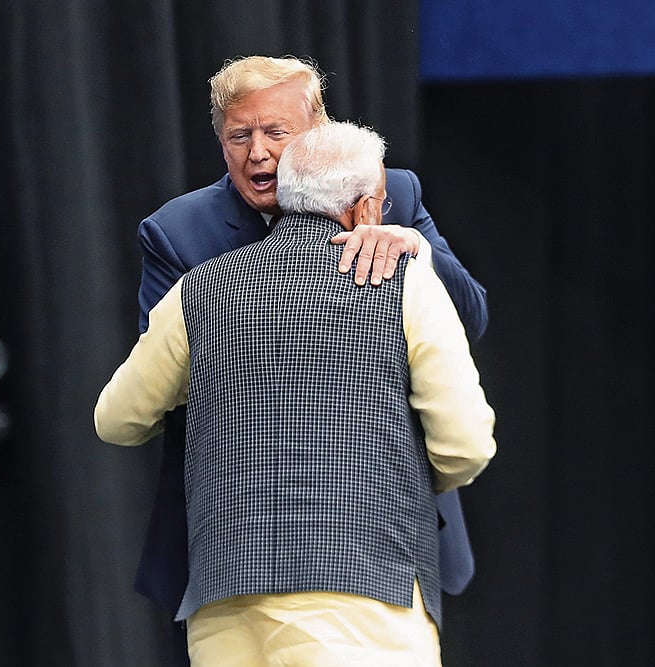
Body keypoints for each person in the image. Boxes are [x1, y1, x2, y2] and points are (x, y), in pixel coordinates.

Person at [97, 120, 496, 665]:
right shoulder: (406, 282)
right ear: (365, 210)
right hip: (366, 591)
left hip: (225, 596)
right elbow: (466, 444)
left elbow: (115, 419)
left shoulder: (199, 287)